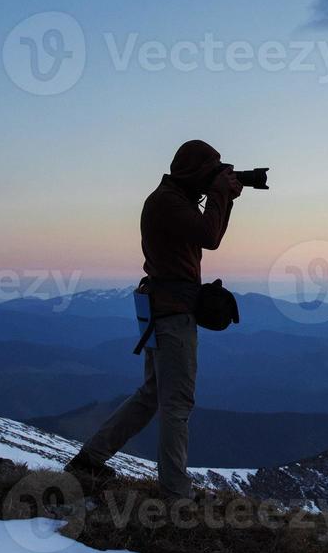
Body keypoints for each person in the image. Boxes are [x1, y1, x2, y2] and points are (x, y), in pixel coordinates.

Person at [65, 140, 243, 498]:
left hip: (162, 308)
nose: (215, 179)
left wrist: (224, 197)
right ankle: (175, 491)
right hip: (172, 313)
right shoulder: (168, 202)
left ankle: (89, 460)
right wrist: (222, 193)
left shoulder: (173, 199)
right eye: (211, 172)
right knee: (177, 402)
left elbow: (210, 235)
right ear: (195, 172)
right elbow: (210, 238)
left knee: (151, 394)